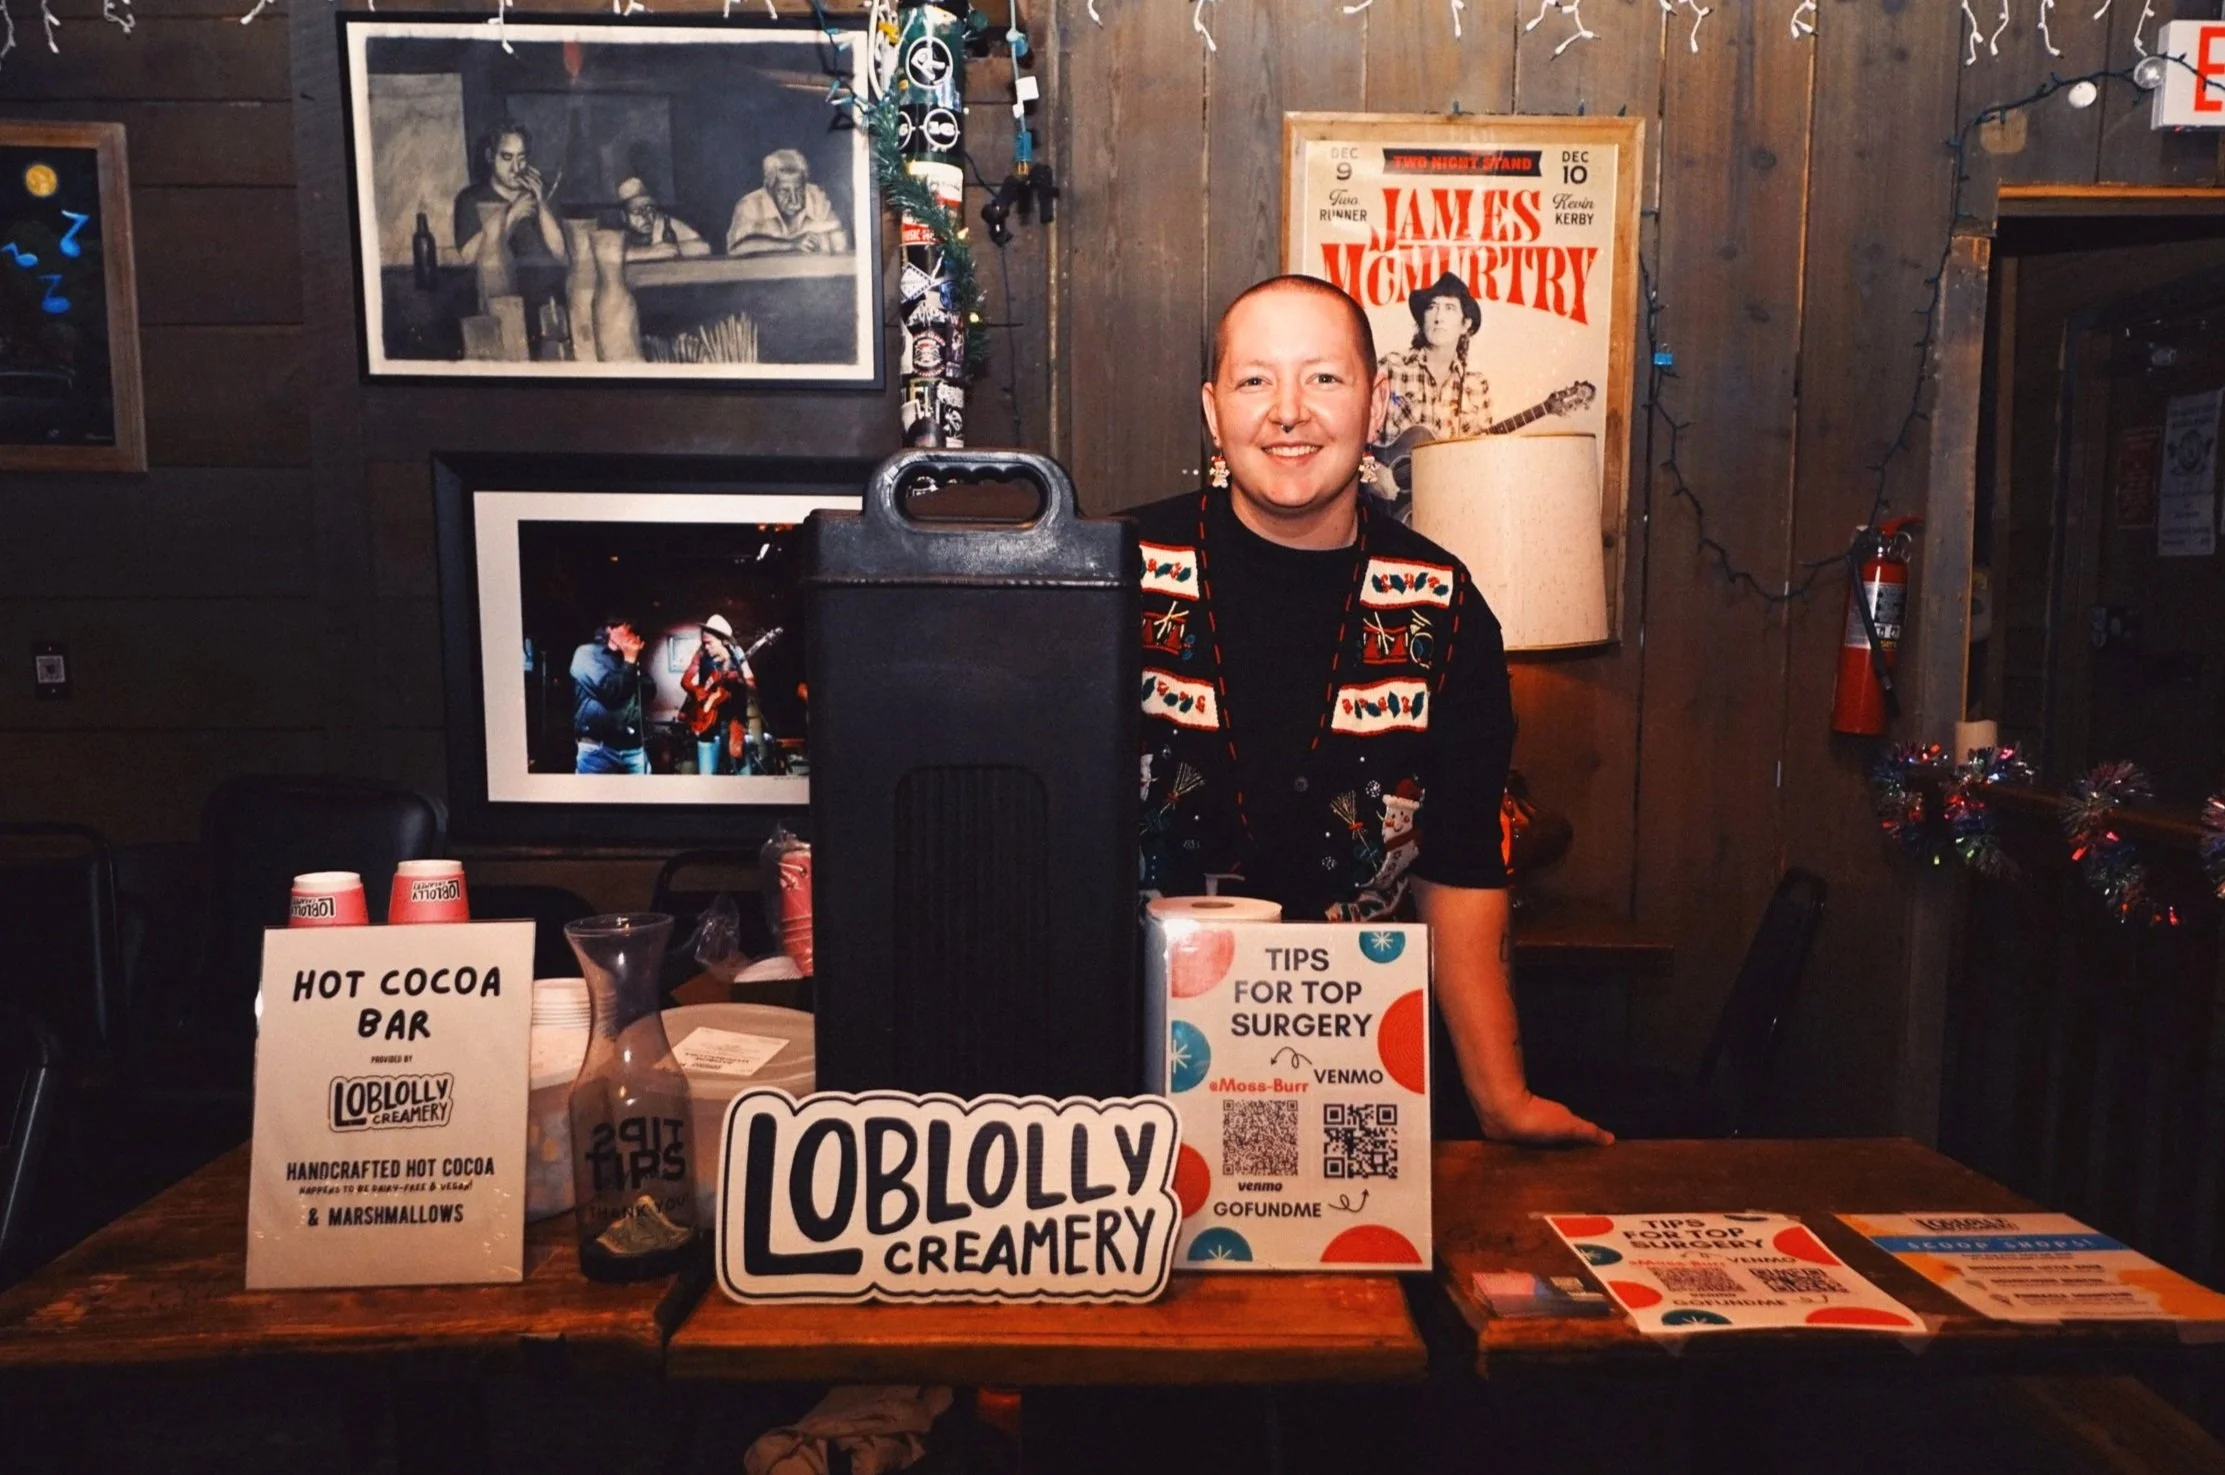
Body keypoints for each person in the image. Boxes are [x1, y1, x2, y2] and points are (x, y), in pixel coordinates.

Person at [1132, 273, 1608, 1148]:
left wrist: (1502, 1098)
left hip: (1349, 1076)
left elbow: (1460, 869)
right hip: (1133, 1075)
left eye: (1323, 377)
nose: (1288, 411)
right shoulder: (1112, 571)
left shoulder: (1441, 606)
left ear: (1376, 401)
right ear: (1211, 412)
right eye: (1253, 380)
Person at [1377, 270, 1493, 444]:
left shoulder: (1476, 386)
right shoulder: (1391, 369)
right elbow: (1362, 442)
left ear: (1465, 325)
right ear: (1422, 321)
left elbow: (1481, 456)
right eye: (1432, 307)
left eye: (1450, 308)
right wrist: (1377, 471)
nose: (1439, 317)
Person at [451, 123, 569, 268]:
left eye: (521, 158)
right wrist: (512, 216)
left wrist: (541, 204)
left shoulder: (539, 192)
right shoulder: (470, 198)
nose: (516, 168)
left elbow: (560, 253)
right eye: (507, 157)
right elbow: (468, 257)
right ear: (490, 156)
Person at [726, 149, 849, 257]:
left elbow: (839, 239)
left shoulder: (816, 197)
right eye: (785, 192)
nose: (794, 200)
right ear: (770, 189)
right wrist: (792, 244)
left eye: (799, 190)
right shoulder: (750, 204)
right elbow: (737, 248)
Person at [571, 616, 651, 775]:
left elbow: (649, 690)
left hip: (633, 749)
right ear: (610, 629)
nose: (632, 635)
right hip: (597, 749)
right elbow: (610, 691)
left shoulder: (629, 660)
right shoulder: (587, 654)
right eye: (627, 628)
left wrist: (631, 662)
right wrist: (628, 661)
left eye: (634, 631)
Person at [680, 614, 751, 775]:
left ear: (723, 641)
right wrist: (696, 690)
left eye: (709, 643)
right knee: (707, 778)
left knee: (745, 779)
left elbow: (753, 685)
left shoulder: (737, 654)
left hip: (734, 724)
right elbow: (685, 680)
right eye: (704, 643)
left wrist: (739, 680)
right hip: (707, 722)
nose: (706, 647)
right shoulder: (701, 653)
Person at [617, 177, 709, 263]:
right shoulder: (618, 234)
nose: (645, 216)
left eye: (649, 208)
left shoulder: (665, 223)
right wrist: (648, 253)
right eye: (637, 211)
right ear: (623, 216)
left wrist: (672, 249)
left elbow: (705, 248)